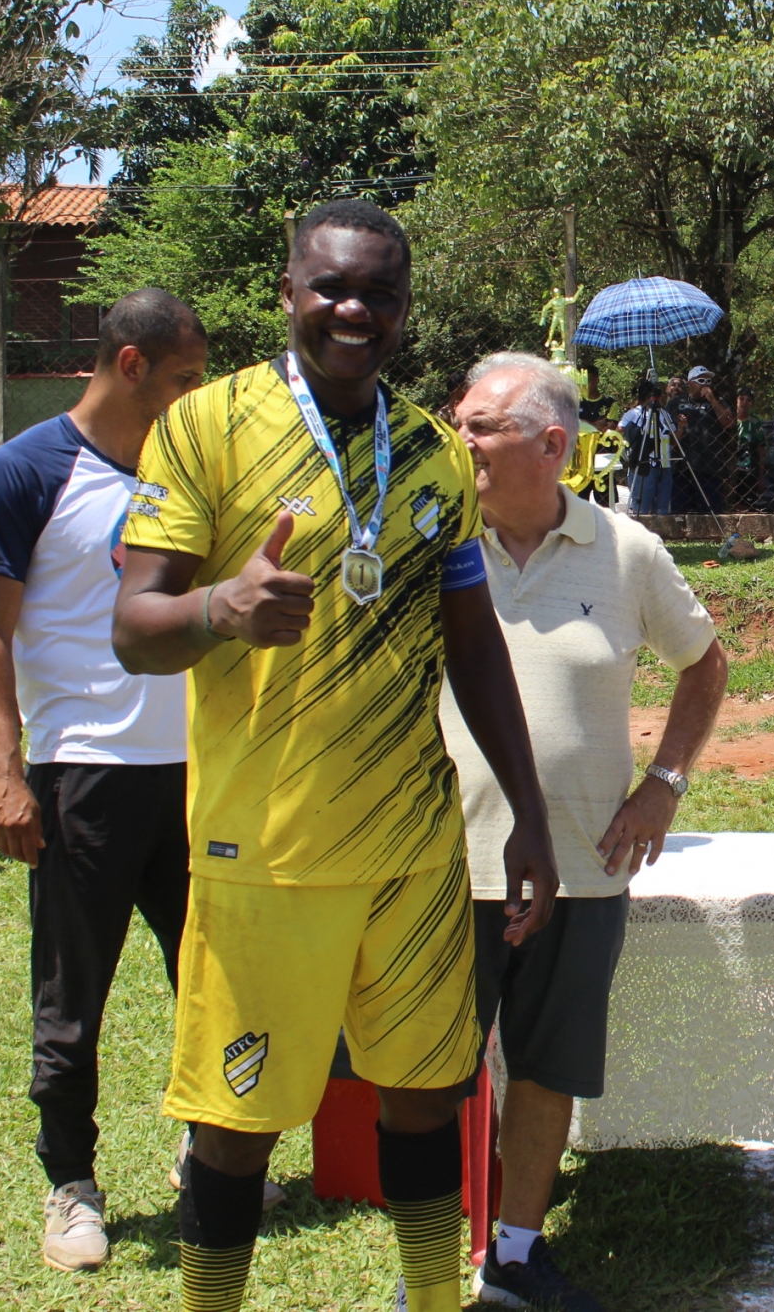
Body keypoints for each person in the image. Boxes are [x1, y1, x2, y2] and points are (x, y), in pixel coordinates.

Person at [110, 199, 560, 1312]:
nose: (353, 309)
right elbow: (132, 627)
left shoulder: (435, 453)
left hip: (413, 853)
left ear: (404, 309)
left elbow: (473, 644)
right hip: (265, 854)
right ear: (288, 294)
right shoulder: (204, 427)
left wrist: (531, 814)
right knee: (236, 1125)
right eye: (331, 287)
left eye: (378, 292)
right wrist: (219, 606)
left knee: (426, 1098)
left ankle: (435, 1301)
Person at [442, 352, 728, 1312]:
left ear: (551, 443)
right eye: (459, 423)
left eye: (481, 426)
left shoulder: (627, 551)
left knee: (547, 1066)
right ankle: (434, 1254)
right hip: (444, 866)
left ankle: (516, 1254)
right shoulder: (436, 546)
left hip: (581, 867)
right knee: (431, 1074)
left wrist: (664, 785)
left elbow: (705, 664)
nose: (461, 440)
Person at [0, 290, 211, 1272]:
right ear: (131, 364)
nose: (196, 394)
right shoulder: (27, 470)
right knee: (72, 998)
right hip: (83, 776)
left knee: (213, 982)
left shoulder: (191, 465)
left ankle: (208, 1156)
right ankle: (71, 1186)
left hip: (199, 774)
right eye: (185, 377)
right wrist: (3, 772)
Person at [669, 364, 736, 514]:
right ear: (690, 383)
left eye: (708, 381)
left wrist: (712, 400)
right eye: (701, 381)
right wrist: (681, 427)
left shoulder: (718, 401)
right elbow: (669, 437)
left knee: (711, 512)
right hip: (681, 467)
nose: (705, 385)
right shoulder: (676, 403)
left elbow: (729, 422)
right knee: (679, 512)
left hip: (709, 467)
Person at [618, 379, 678, 517]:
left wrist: (681, 427)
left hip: (664, 464)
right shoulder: (635, 413)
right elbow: (619, 431)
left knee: (662, 510)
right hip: (643, 465)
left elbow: (673, 438)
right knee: (642, 510)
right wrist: (635, 442)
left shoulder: (664, 414)